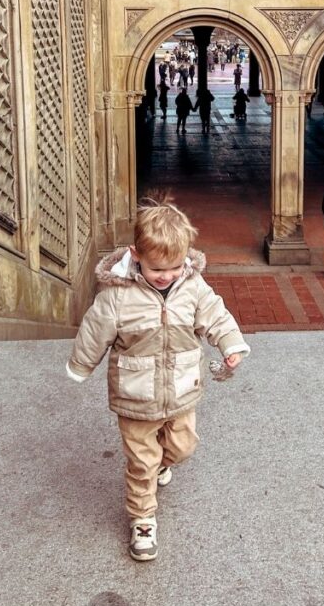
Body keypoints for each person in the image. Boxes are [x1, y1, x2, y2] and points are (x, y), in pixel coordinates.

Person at [66, 196, 250, 561]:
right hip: (135, 397)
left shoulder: (192, 287)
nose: (167, 276)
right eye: (156, 269)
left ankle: (164, 463)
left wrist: (230, 343)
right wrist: (81, 365)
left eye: (175, 267)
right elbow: (94, 330)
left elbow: (214, 314)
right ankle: (143, 518)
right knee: (141, 462)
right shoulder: (117, 296)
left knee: (183, 447)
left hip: (181, 390)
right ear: (136, 256)